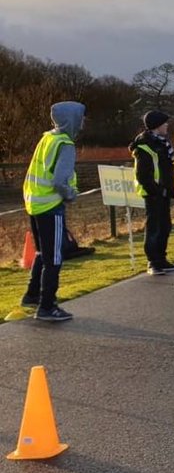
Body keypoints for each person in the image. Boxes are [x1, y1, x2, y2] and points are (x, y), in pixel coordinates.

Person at [21, 101, 85, 321]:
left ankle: (31, 296)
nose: (83, 123)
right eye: (81, 118)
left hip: (34, 203)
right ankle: (47, 306)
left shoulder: (47, 138)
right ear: (72, 120)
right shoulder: (65, 144)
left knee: (41, 252)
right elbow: (59, 180)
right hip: (50, 205)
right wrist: (70, 194)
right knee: (54, 257)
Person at [130, 110, 174, 275]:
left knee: (165, 226)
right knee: (154, 226)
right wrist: (157, 190)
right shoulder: (145, 145)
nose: (167, 125)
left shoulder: (162, 143)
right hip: (153, 193)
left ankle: (161, 259)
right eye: (164, 123)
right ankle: (153, 262)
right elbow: (142, 174)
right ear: (157, 125)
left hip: (164, 191)